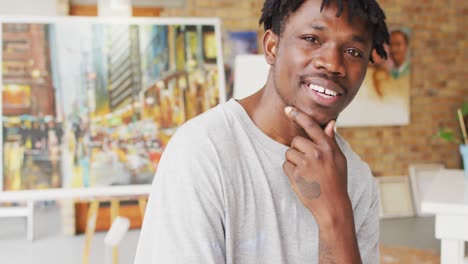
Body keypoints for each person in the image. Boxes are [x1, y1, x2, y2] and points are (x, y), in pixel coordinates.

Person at [135, 0, 389, 263]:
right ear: (272, 47)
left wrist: (335, 217)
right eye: (312, 38)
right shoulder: (202, 151)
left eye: (353, 51)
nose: (332, 63)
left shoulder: (357, 178)